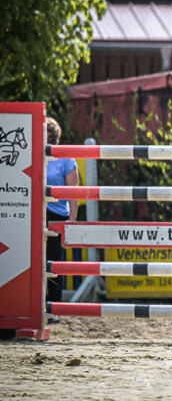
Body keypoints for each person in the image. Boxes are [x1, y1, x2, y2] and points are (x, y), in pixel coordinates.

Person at [44, 117, 78, 319]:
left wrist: (71, 223)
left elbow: (74, 194)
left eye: (49, 138)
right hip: (37, 214)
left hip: (58, 215)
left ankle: (54, 308)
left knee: (55, 262)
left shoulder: (66, 159)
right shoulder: (35, 154)